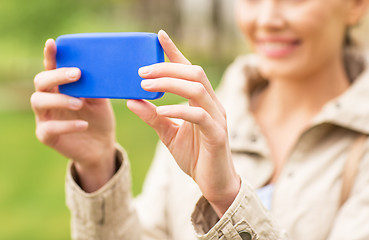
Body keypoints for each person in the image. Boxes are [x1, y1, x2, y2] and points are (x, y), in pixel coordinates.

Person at [31, 0, 369, 239]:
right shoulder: (201, 117)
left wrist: (227, 199)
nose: (267, 18)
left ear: (356, 4)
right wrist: (98, 168)